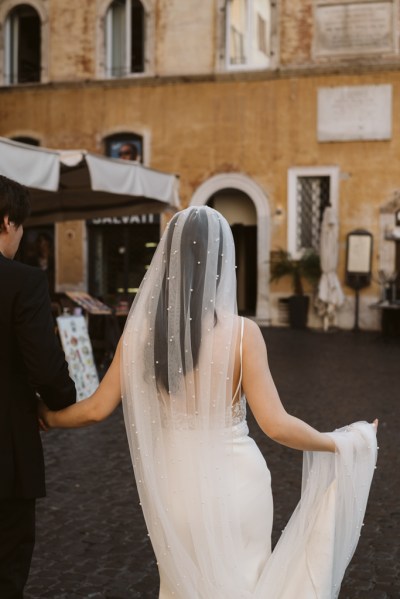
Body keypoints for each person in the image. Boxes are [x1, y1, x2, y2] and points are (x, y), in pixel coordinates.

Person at [39, 206, 378, 598]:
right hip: (238, 487)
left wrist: (47, 416)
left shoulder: (141, 335)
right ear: (222, 261)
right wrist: (340, 441)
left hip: (175, 491)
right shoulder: (242, 334)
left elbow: (96, 409)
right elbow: (276, 425)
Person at [0, 175, 76, 599]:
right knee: (6, 571)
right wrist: (58, 402)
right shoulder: (22, 282)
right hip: (6, 458)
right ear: (9, 222)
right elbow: (47, 370)